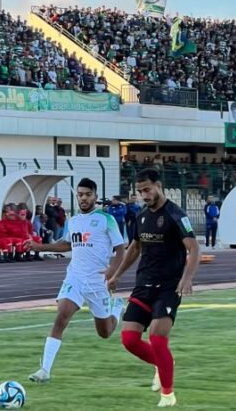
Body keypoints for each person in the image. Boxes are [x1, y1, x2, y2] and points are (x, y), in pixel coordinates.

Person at [107, 168, 200, 408]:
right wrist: (116, 275)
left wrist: (187, 278)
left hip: (169, 287)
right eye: (139, 192)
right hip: (143, 285)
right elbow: (135, 248)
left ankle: (168, 395)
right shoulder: (141, 217)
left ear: (159, 186)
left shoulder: (176, 215)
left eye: (147, 190)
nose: (144, 195)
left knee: (157, 339)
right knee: (129, 339)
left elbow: (194, 249)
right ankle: (163, 362)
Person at [27, 178, 126, 384]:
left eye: (87, 194)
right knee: (61, 316)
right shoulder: (73, 221)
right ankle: (44, 370)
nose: (83, 198)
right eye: (80, 194)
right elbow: (66, 245)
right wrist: (39, 247)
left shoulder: (106, 219)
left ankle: (117, 308)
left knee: (105, 332)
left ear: (95, 197)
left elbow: (120, 249)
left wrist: (113, 273)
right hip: (75, 278)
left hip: (98, 282)